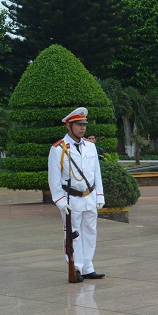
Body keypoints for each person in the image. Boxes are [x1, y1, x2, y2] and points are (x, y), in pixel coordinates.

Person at [48, 107, 105, 282]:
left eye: (84, 125)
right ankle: (76, 267)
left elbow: (97, 173)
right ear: (69, 126)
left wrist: (99, 195)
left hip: (89, 196)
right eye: (79, 125)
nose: (82, 128)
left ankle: (88, 267)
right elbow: (54, 178)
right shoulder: (58, 149)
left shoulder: (90, 147)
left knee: (90, 232)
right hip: (71, 199)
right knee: (73, 234)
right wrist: (59, 200)